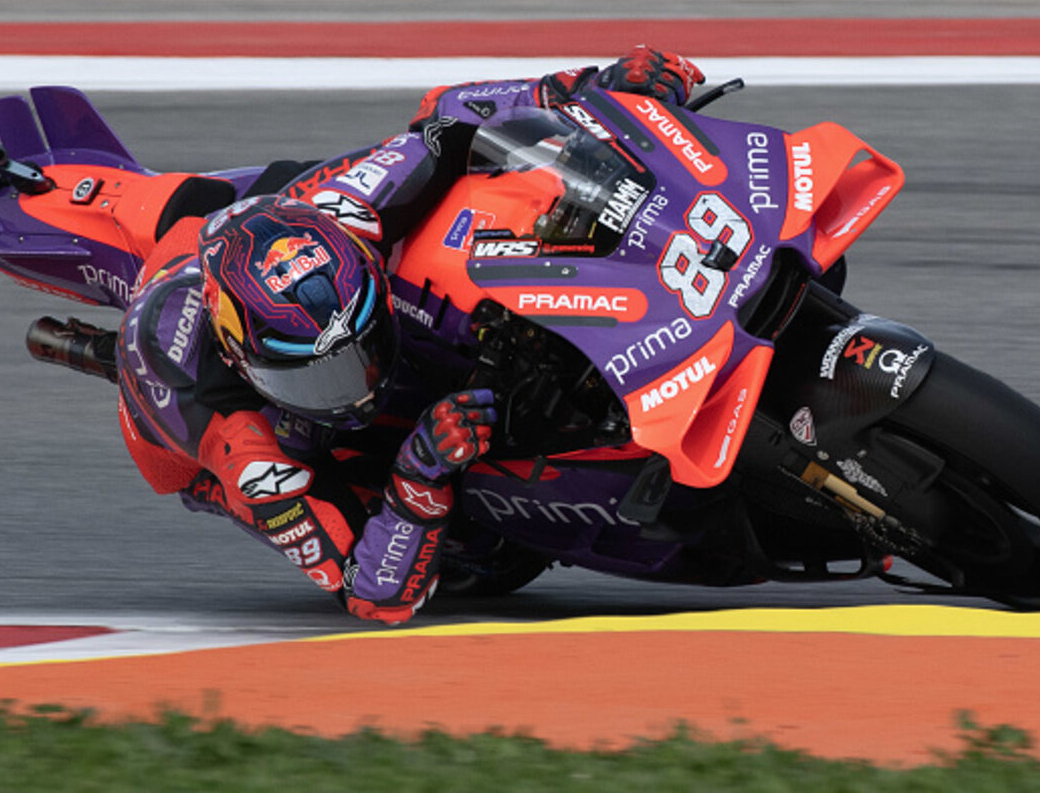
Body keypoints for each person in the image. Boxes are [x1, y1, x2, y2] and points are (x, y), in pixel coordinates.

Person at [115, 47, 706, 625]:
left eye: (363, 350)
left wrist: (590, 85)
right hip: (207, 436)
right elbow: (371, 594)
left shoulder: (354, 212)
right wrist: (419, 474)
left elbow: (450, 114)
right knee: (486, 558)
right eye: (321, 377)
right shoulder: (245, 450)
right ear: (248, 364)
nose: (359, 389)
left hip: (267, 211)